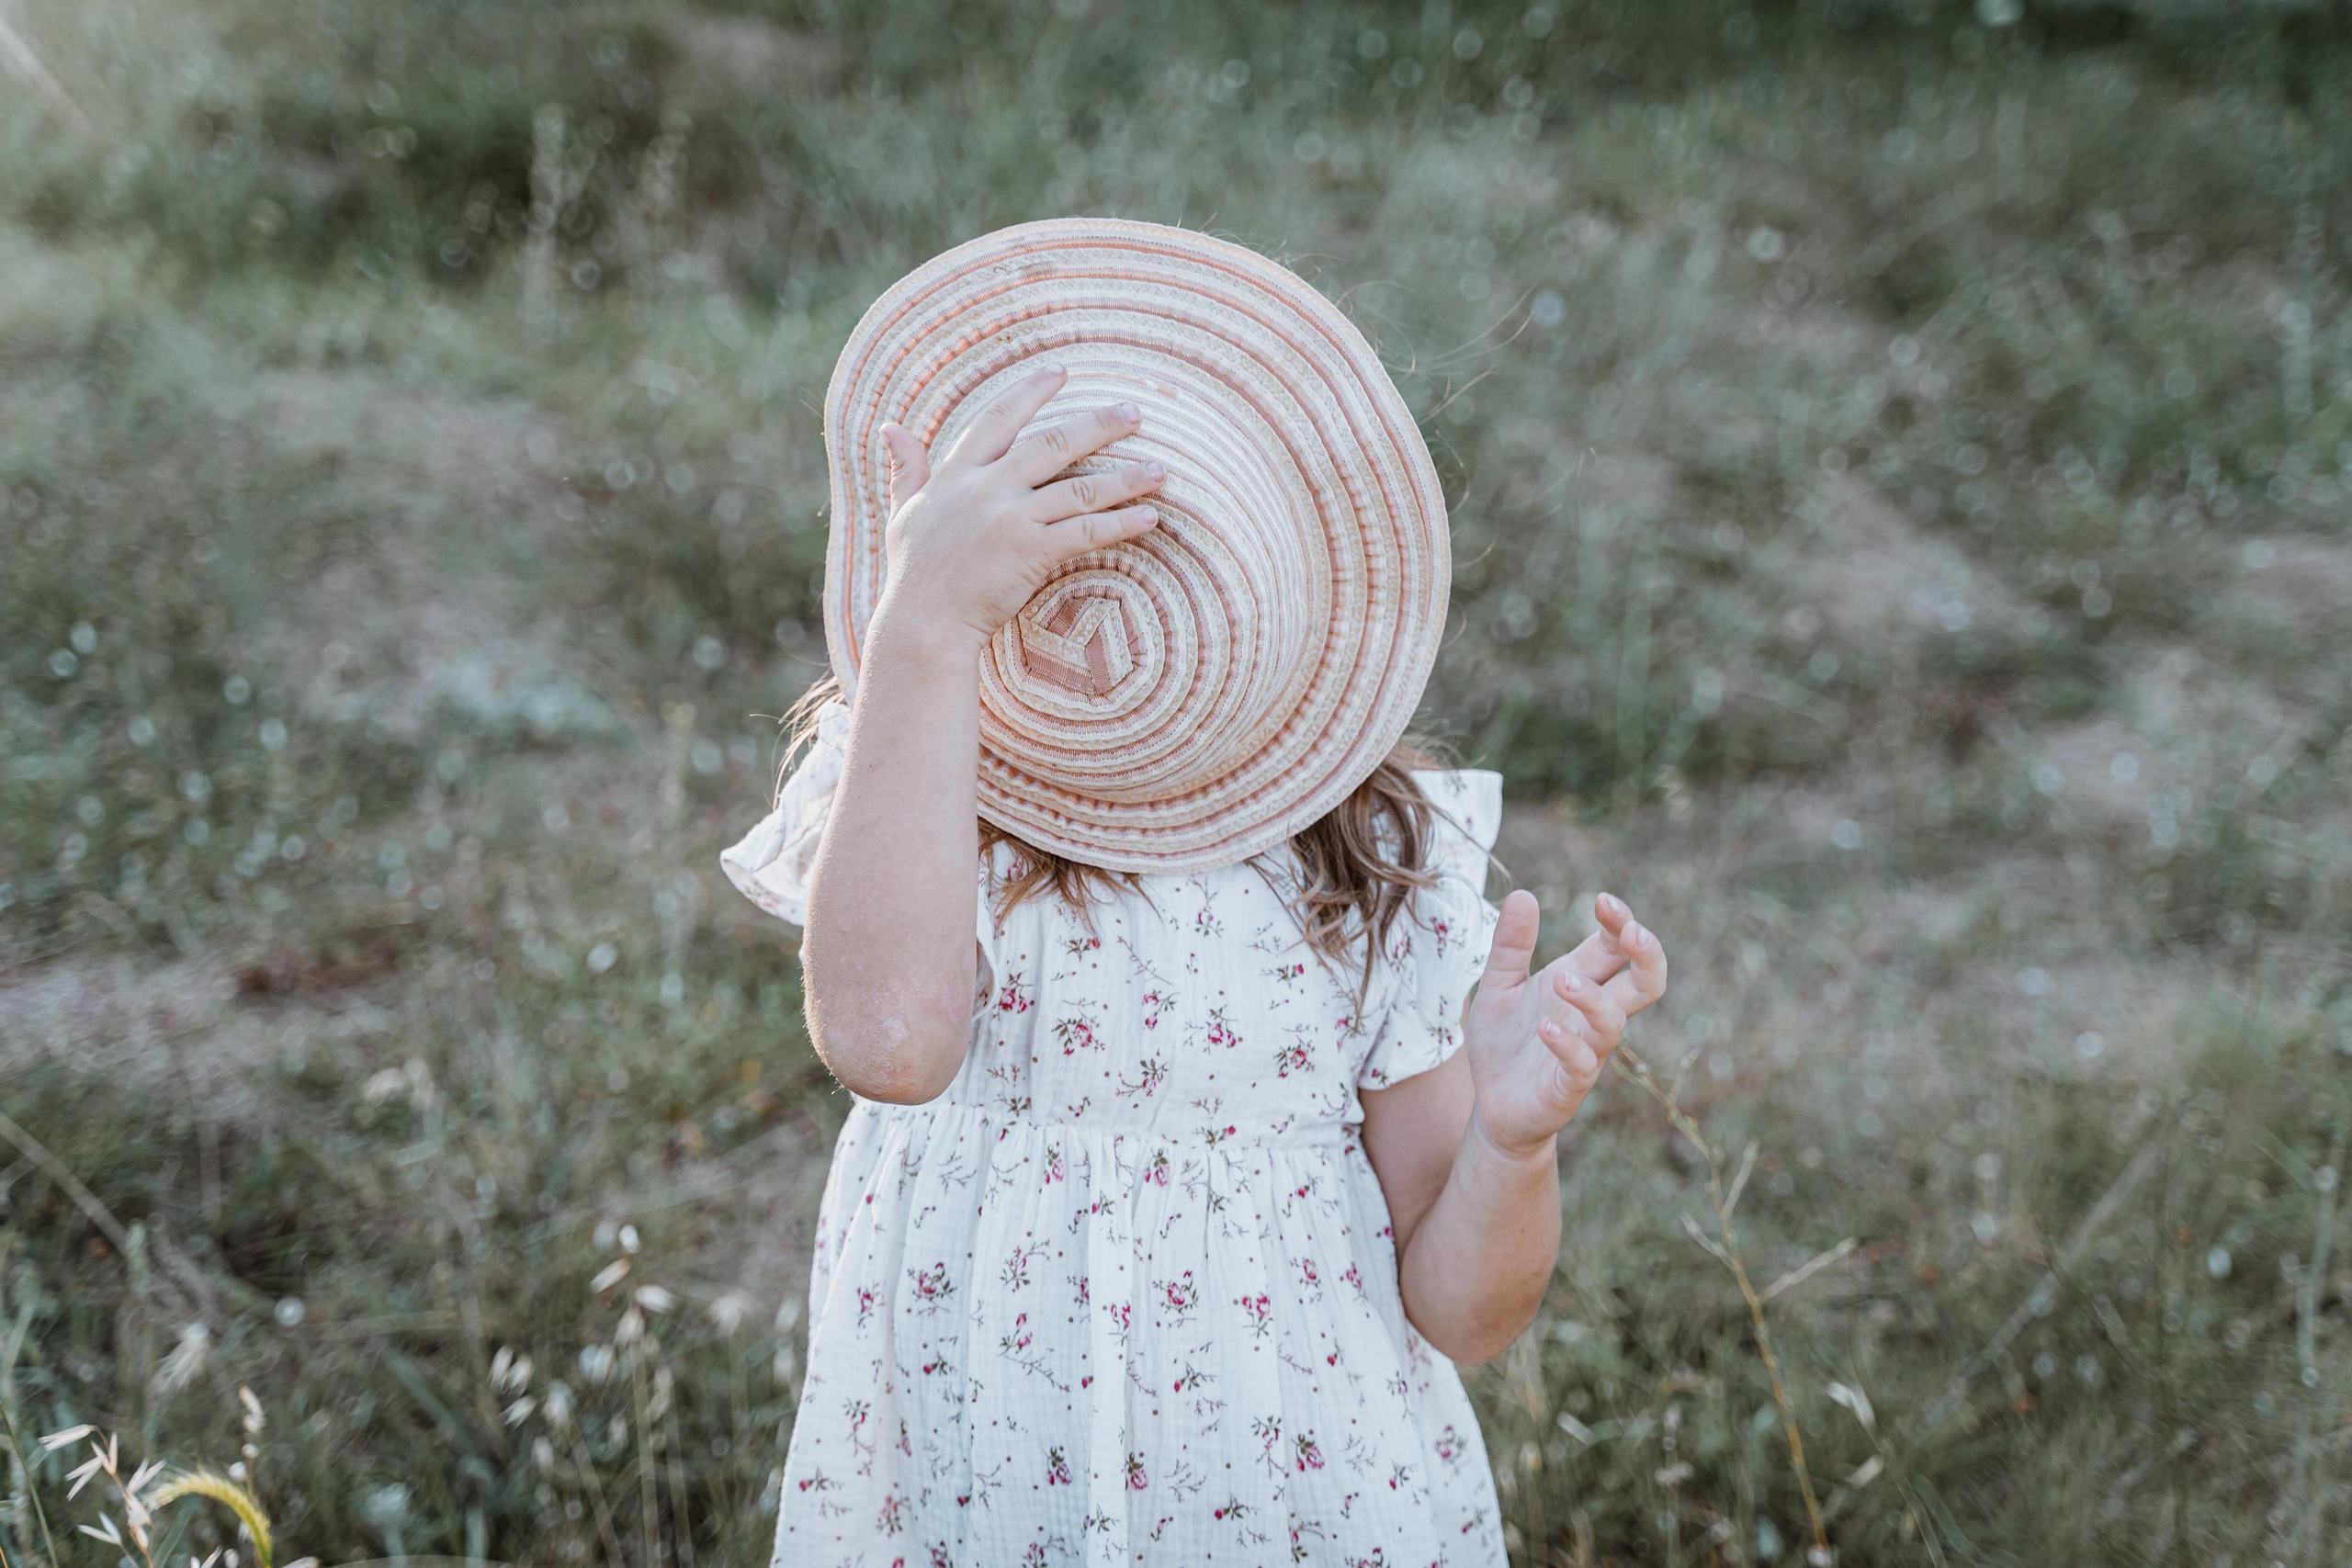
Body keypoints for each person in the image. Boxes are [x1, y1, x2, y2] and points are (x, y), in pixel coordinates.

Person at [723, 220, 1668, 1567]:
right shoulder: (916, 769)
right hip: (992, 1483)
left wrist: (1512, 1148)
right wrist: (923, 633)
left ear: (1302, 598)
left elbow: (1466, 1316)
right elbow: (891, 1043)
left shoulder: (1378, 845)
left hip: (1297, 1496)